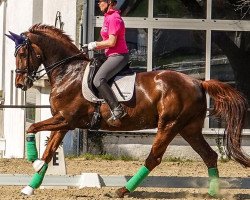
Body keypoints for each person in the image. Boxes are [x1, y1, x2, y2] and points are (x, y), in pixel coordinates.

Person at [87, 0, 129, 125]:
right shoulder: (107, 17)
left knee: (98, 80)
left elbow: (111, 42)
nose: (98, 4)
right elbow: (104, 41)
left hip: (119, 56)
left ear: (109, 2)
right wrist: (90, 46)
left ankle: (117, 109)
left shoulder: (115, 18)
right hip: (110, 55)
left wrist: (95, 44)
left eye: (100, 1)